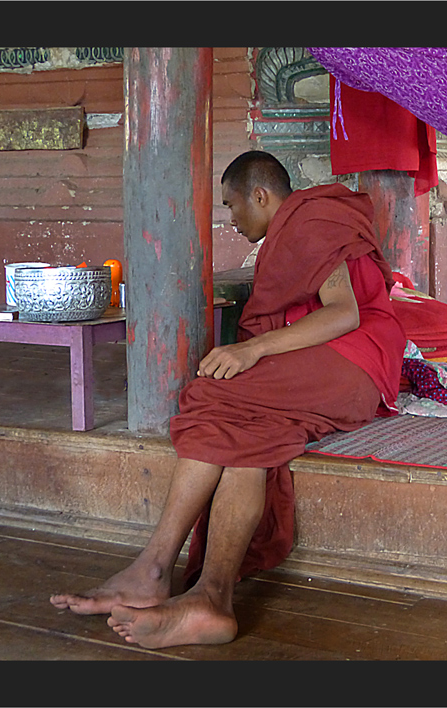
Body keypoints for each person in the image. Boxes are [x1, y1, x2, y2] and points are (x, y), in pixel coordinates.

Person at [50, 151, 407, 648]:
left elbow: (345, 314)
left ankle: (156, 569)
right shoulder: (292, 228)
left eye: (233, 206)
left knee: (217, 396)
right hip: (329, 354)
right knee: (248, 433)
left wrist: (253, 349)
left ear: (260, 196)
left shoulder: (309, 218)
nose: (232, 220)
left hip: (356, 355)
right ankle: (207, 599)